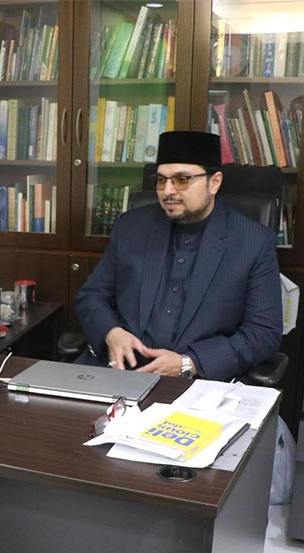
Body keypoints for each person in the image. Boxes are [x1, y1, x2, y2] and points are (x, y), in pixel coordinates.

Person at [75, 130, 283, 381]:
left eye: (182, 179)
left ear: (214, 182)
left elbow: (263, 333)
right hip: (119, 372)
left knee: (277, 424)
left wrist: (190, 363)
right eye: (161, 180)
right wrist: (111, 332)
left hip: (197, 383)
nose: (168, 191)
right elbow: (92, 296)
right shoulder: (132, 226)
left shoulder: (253, 242)